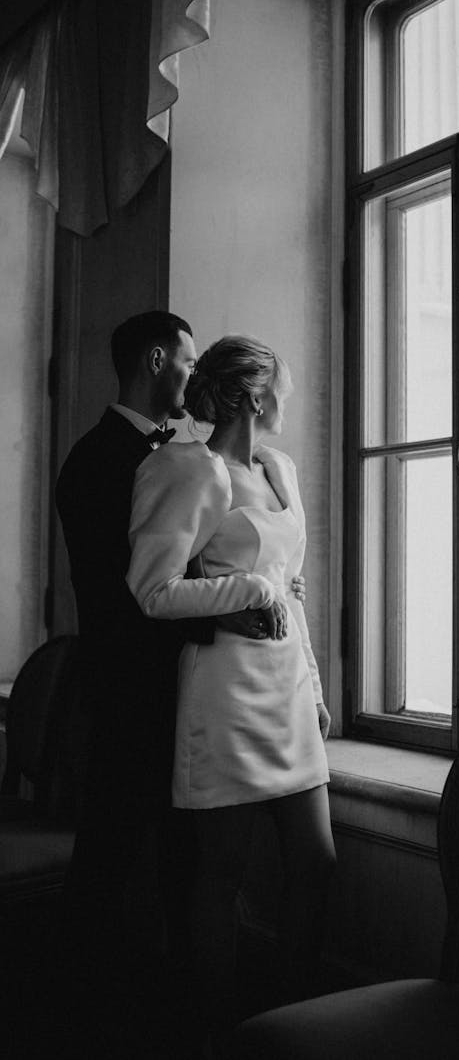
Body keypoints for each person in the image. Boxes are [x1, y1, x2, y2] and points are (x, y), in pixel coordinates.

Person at [55, 313, 306, 1056]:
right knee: (110, 854)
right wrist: (229, 614)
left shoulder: (189, 453)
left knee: (182, 864)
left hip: (196, 691)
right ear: (157, 359)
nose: (192, 376)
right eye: (187, 359)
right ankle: (77, 1013)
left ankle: (176, 1010)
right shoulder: (98, 460)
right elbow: (121, 596)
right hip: (136, 694)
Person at [125, 335, 335, 1041]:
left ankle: (294, 1018)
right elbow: (151, 590)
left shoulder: (282, 468)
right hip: (225, 690)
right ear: (252, 394)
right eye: (281, 387)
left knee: (316, 859)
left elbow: (291, 590)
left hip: (286, 687)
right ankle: (220, 1032)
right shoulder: (190, 470)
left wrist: (312, 682)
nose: (288, 400)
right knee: (222, 873)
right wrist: (242, 588)